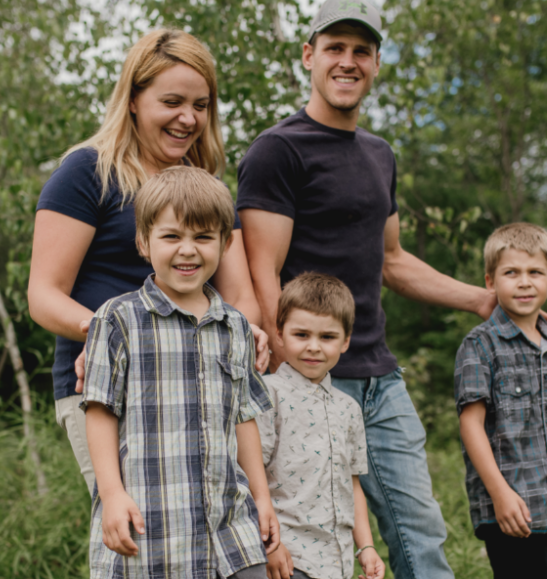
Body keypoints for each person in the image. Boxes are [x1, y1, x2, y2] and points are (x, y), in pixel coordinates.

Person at [237, 0, 495, 579]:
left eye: (362, 50)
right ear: (309, 56)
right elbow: (262, 277)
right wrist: (292, 382)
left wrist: (481, 299)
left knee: (419, 528)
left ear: (377, 63)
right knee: (311, 536)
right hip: (308, 376)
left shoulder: (380, 155)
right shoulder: (277, 151)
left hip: (381, 378)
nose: (348, 61)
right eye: (335, 48)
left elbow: (393, 261)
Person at [28, 29, 267, 493]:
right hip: (108, 390)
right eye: (172, 101)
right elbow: (43, 295)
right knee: (143, 531)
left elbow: (240, 297)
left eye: (201, 106)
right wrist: (111, 334)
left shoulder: (205, 187)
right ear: (134, 99)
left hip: (197, 384)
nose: (188, 118)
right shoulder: (87, 173)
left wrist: (239, 334)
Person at [81, 167, 278, 578]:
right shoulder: (118, 319)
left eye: (203, 237)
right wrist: (112, 494)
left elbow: (244, 419)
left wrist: (262, 497)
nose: (187, 250)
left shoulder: (237, 327)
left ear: (225, 244)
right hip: (153, 530)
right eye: (171, 236)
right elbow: (100, 411)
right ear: (143, 241)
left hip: (229, 532)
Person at [454, 223, 547, 579]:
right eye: (511, 272)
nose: (524, 281)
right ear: (490, 281)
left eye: (535, 272)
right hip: (514, 510)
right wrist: (500, 494)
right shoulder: (480, 344)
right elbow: (470, 424)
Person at [257, 273, 385, 579]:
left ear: (345, 341)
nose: (314, 347)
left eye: (327, 337)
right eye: (301, 335)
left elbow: (352, 482)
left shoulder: (349, 408)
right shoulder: (266, 394)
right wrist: (270, 546)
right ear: (279, 333)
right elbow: (251, 475)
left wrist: (365, 546)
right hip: (288, 557)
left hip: (337, 559)